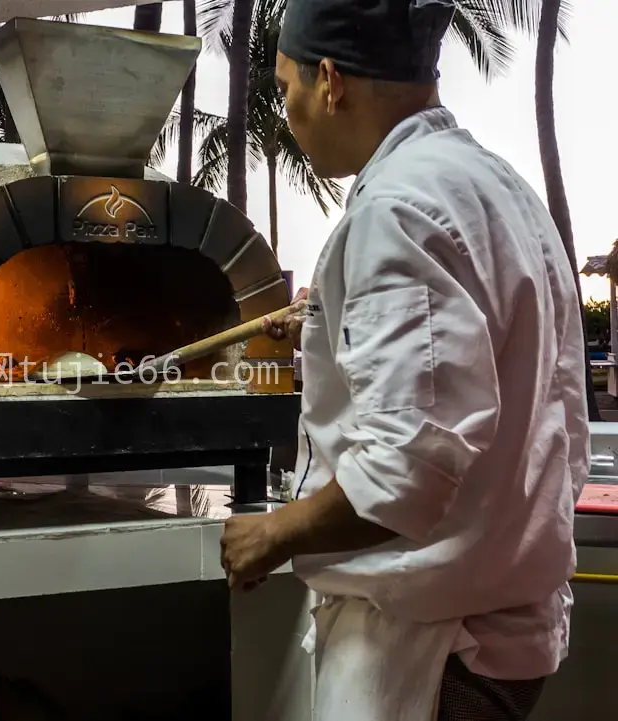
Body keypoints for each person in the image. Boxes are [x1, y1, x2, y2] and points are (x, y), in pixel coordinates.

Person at [219, 0, 590, 719]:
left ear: (331, 80)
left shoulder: (399, 210)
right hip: (497, 618)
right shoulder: (495, 184)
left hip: (436, 643)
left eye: (286, 85)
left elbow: (404, 472)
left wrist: (275, 532)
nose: (288, 110)